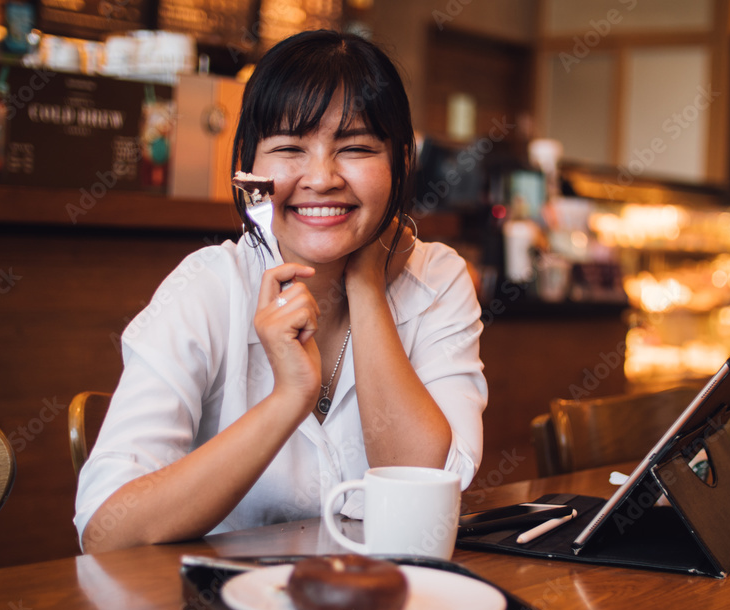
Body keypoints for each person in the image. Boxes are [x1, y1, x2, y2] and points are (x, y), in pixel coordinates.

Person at [74, 29, 487, 553]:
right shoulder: (208, 286)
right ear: (249, 165)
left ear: (399, 161)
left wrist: (365, 282)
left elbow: (426, 488)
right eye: (289, 147)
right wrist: (289, 397)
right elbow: (107, 531)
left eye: (356, 147)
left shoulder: (437, 278)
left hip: (385, 605)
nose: (321, 177)